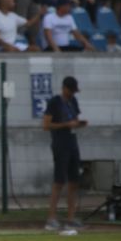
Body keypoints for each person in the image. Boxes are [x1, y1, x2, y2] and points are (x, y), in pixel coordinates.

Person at [43, 76, 87, 231]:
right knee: (59, 181)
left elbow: (74, 119)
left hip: (72, 142)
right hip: (60, 144)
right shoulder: (55, 102)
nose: (72, 94)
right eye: (71, 91)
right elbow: (46, 125)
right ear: (65, 88)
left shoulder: (73, 101)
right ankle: (51, 218)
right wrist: (66, 124)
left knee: (74, 181)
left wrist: (77, 124)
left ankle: (70, 217)